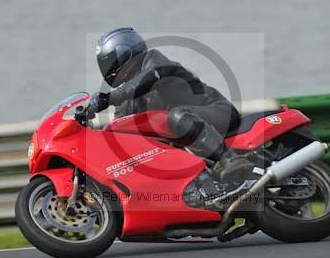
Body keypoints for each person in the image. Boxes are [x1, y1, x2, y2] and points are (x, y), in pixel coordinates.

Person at [87, 27, 253, 182]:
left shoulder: (153, 62)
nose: (107, 68)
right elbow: (119, 132)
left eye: (108, 61)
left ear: (122, 53)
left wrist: (109, 98)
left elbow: (149, 78)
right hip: (186, 140)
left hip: (219, 112)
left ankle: (229, 159)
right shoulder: (126, 102)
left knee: (177, 116)